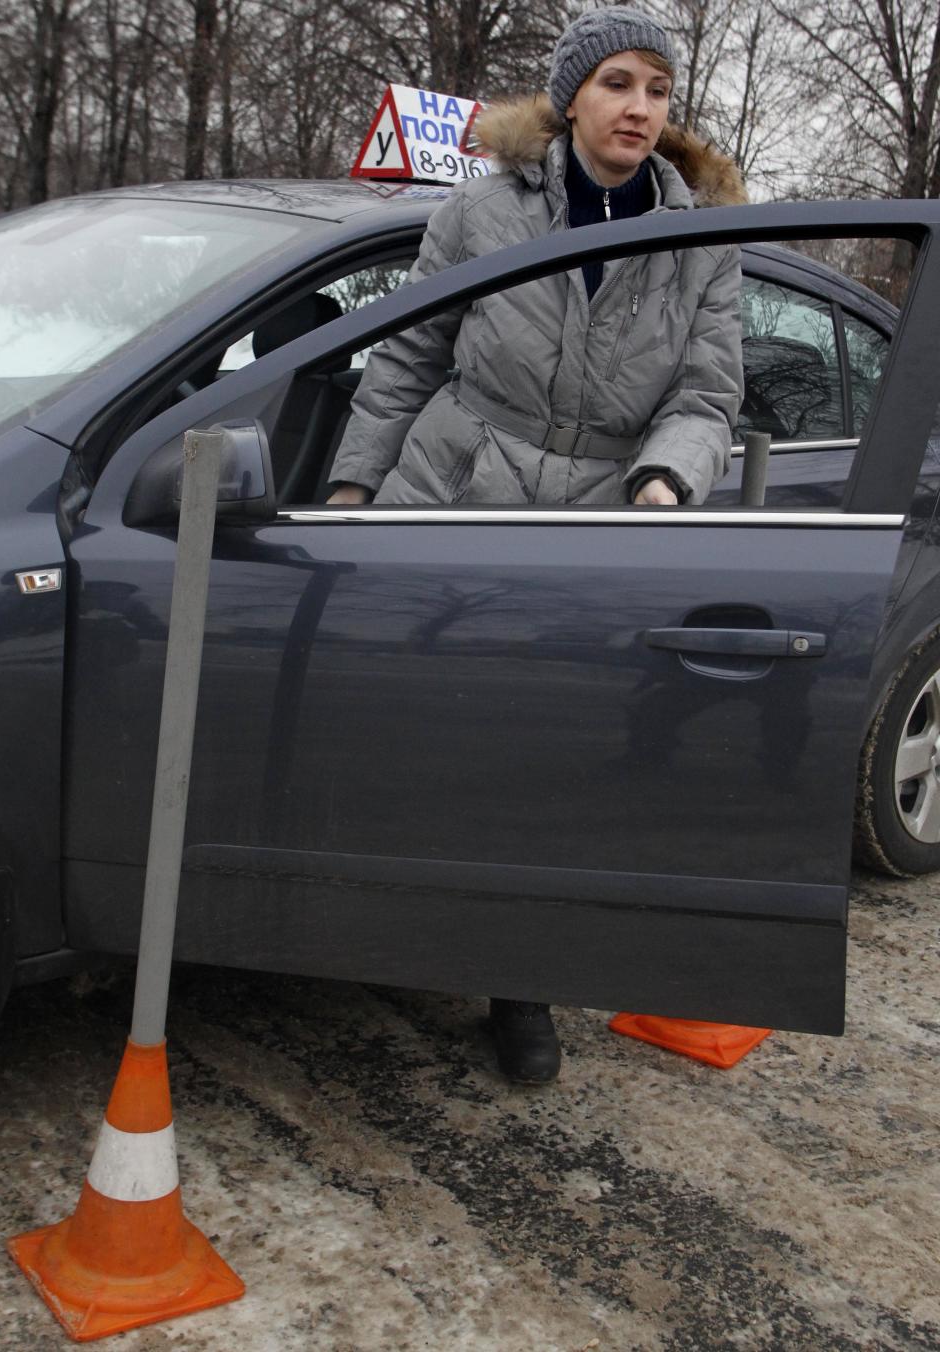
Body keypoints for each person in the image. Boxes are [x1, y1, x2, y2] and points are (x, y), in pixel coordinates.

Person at [327, 6, 746, 1083]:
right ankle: (356, 934)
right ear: (572, 100)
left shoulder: (701, 239)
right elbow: (409, 356)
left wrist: (665, 480)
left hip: (594, 524)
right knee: (413, 732)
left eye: (657, 88)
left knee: (542, 763)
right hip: (454, 491)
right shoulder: (480, 209)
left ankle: (520, 983)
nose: (640, 108)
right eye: (618, 84)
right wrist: (351, 484)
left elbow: (707, 393)